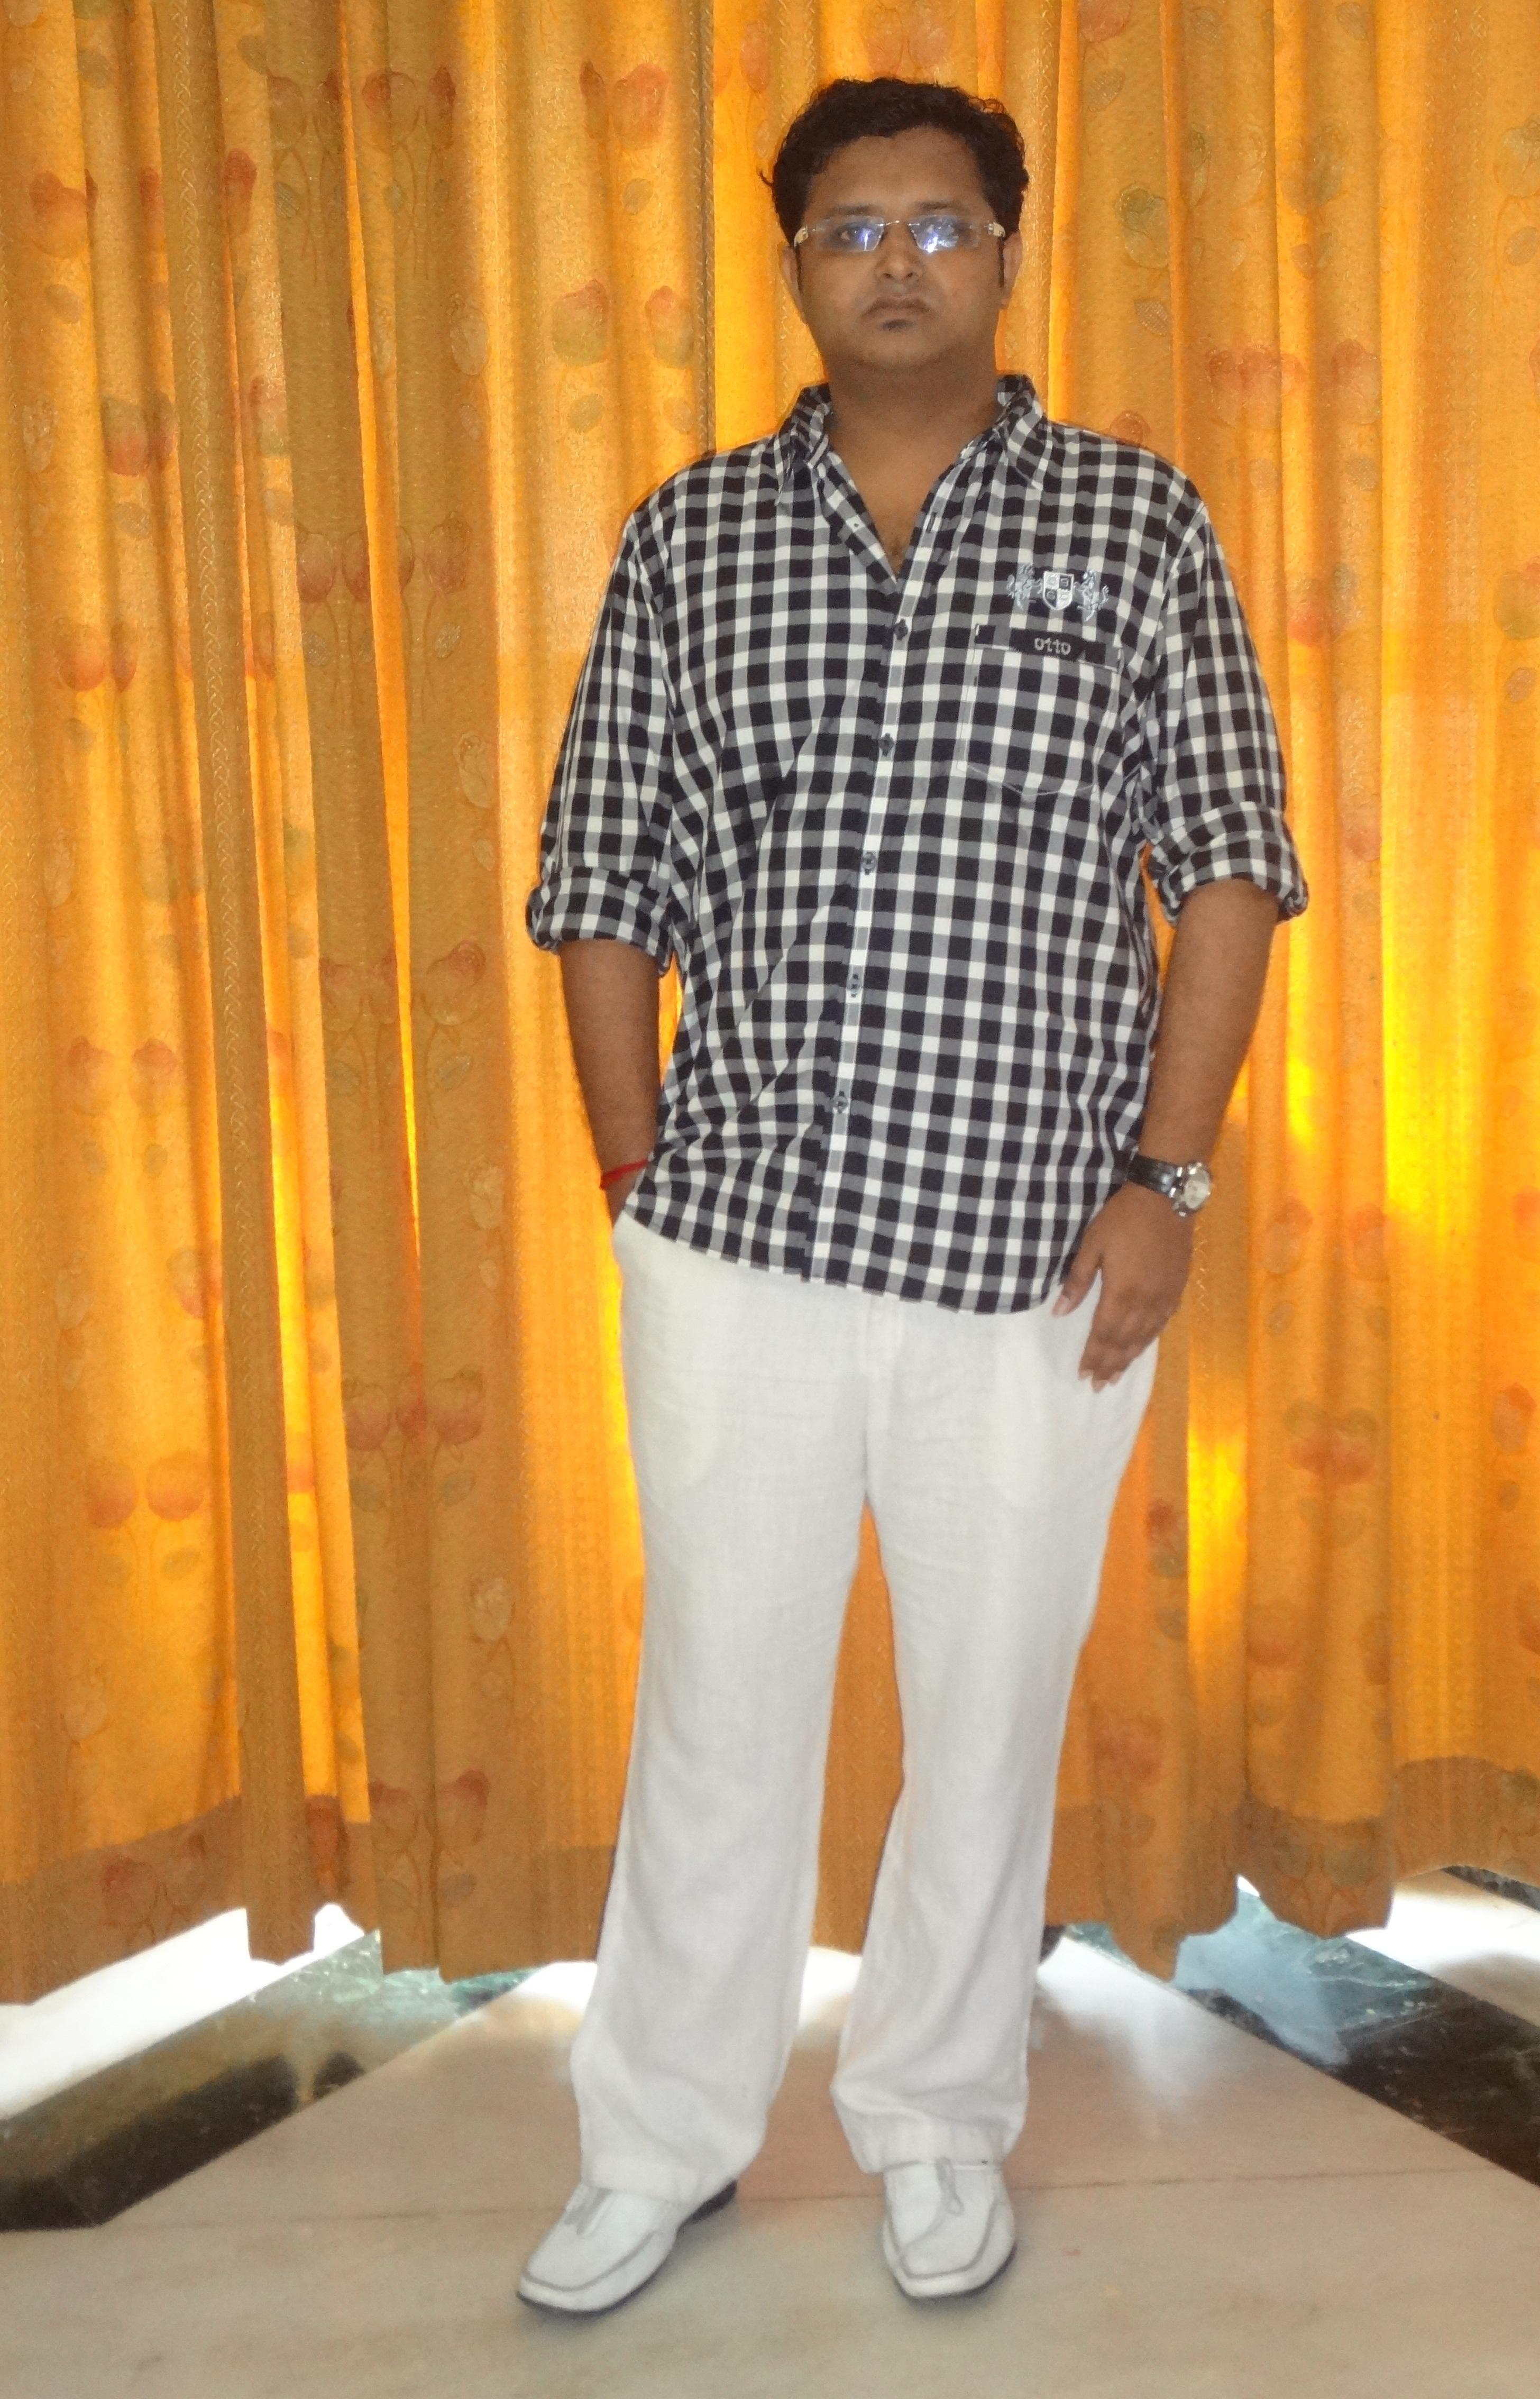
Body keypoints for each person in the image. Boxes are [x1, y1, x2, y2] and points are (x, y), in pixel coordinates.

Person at [520, 76, 1307, 2316]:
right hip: (739, 1242)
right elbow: (600, 880)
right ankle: (656, 2141)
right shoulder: (694, 537)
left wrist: (1166, 1178)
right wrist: (632, 1171)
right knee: (717, 1702)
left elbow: (1227, 869)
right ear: (791, 265)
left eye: (939, 224)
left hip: (1034, 1249)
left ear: (1005, 254)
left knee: (985, 1710)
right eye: (850, 225)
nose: (895, 260)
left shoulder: (1131, 524)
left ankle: (936, 2120)